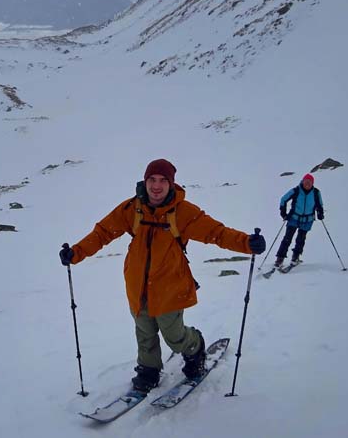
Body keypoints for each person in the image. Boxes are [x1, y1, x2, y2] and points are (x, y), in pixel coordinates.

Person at [59, 158, 265, 393]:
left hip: (171, 286)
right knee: (144, 331)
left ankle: (195, 347)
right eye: (152, 180)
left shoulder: (183, 212)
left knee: (173, 335)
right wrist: (75, 253)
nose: (156, 186)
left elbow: (216, 233)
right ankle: (148, 369)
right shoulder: (132, 209)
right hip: (137, 285)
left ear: (171, 184)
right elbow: (103, 232)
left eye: (162, 181)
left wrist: (247, 243)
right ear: (145, 181)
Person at [274, 173, 324, 268]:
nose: (307, 184)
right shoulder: (296, 190)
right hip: (294, 218)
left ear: (312, 183)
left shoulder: (316, 193)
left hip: (307, 220)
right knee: (287, 238)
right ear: (303, 181)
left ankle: (295, 257)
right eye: (306, 181)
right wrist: (283, 213)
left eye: (310, 182)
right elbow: (283, 199)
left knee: (301, 240)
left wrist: (320, 213)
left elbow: (319, 204)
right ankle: (280, 258)